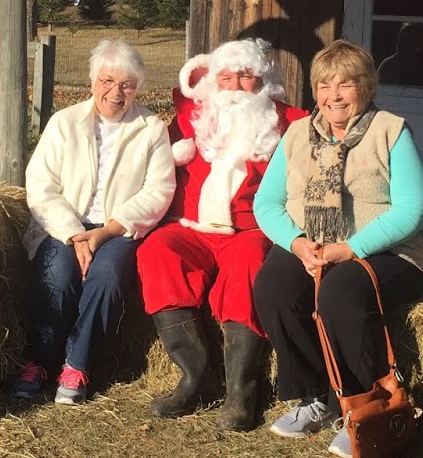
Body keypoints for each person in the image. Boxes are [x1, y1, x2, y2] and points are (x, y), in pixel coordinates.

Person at [251, 39, 423, 458]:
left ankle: (364, 407)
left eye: (345, 85)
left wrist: (351, 248)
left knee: (339, 295)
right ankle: (316, 396)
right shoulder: (297, 134)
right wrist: (297, 244)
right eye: (325, 85)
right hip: (311, 244)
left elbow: (414, 210)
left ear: (365, 88)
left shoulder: (391, 131)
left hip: (383, 251)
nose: (334, 96)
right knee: (273, 288)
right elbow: (267, 203)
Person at [136, 38, 307, 429]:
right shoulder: (192, 118)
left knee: (248, 264)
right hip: (193, 228)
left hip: (249, 229)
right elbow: (138, 147)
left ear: (263, 82)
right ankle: (194, 379)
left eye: (245, 77)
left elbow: (346, 141)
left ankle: (240, 395)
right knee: (158, 249)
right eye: (225, 77)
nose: (233, 87)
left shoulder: (291, 123)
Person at [18, 40, 176, 405]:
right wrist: (75, 235)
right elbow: (41, 185)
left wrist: (107, 231)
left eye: (126, 85)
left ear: (137, 88)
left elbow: (158, 190)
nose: (115, 92)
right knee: (56, 273)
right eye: (107, 81)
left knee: (107, 276)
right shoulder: (65, 123)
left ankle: (77, 362)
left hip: (118, 229)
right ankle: (40, 358)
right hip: (63, 224)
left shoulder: (151, 128)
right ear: (92, 81)